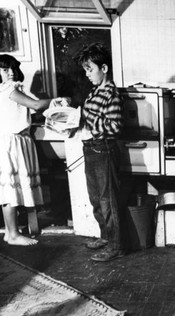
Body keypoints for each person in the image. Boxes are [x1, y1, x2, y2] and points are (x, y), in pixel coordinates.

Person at [0, 54, 67, 246]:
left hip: (13, 140)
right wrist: (60, 100)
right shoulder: (8, 89)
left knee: (9, 188)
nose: (11, 73)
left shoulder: (7, 90)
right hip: (11, 143)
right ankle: (13, 234)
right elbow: (36, 105)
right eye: (5, 69)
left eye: (13, 68)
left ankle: (10, 232)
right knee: (10, 189)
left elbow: (28, 109)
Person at [75, 43, 126, 262]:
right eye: (85, 70)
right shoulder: (94, 92)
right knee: (96, 198)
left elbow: (115, 127)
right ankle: (105, 237)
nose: (87, 74)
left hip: (104, 149)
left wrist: (86, 118)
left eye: (90, 69)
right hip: (90, 148)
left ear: (104, 68)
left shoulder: (111, 93)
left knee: (108, 201)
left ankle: (116, 246)